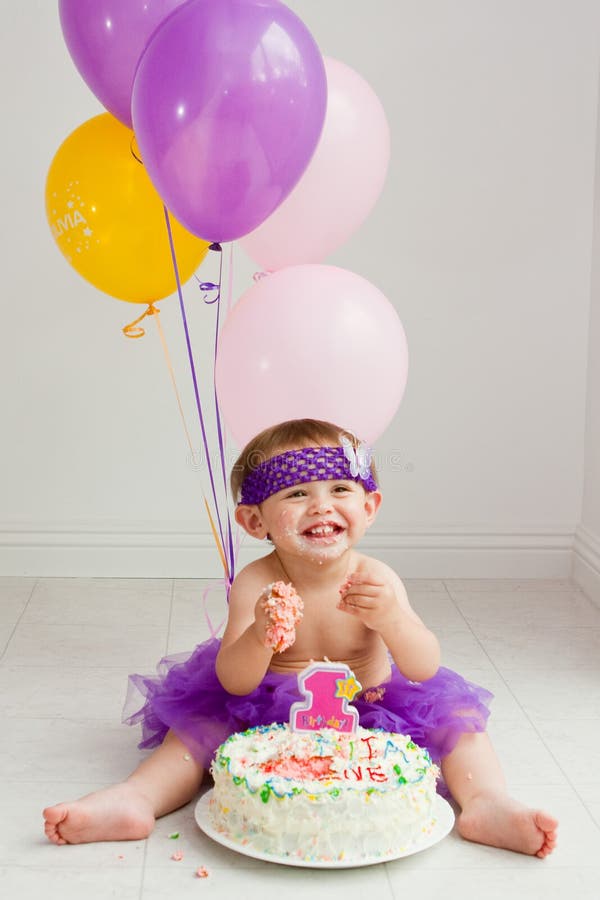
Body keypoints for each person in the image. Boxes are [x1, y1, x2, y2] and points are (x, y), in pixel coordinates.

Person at [43, 418, 558, 857]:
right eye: (296, 494)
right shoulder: (258, 583)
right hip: (267, 709)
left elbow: (423, 666)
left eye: (339, 490)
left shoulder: (376, 577)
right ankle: (136, 800)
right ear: (253, 520)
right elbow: (235, 680)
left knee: (458, 722)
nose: (320, 506)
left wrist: (394, 620)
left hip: (373, 704)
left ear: (370, 506)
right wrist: (261, 636)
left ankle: (486, 803)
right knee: (197, 728)